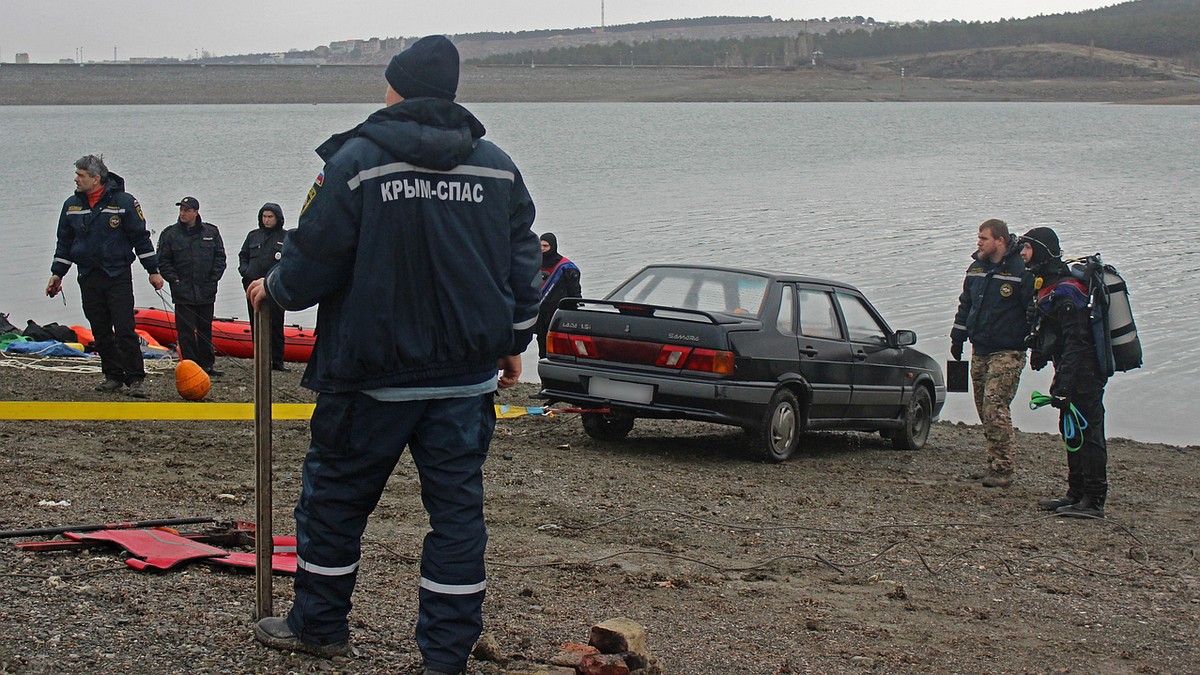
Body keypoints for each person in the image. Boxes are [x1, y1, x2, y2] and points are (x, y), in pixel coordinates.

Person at [246, 35, 540, 673]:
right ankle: (445, 656)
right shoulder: (497, 167)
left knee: (334, 504)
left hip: (370, 377)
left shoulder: (356, 163)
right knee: (457, 517)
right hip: (465, 381)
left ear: (397, 88)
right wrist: (512, 342)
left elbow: (313, 258)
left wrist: (275, 289)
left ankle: (319, 625)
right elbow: (524, 267)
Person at [46, 155, 164, 399]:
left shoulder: (125, 202)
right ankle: (113, 376)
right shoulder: (72, 205)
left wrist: (153, 271)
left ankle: (135, 379)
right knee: (100, 329)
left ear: (96, 179)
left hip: (117, 275)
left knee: (124, 328)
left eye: (80, 175)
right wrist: (57, 274)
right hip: (88, 276)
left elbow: (140, 239)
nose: (76, 179)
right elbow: (65, 243)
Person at [1019, 226, 1109, 519]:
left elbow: (1077, 341)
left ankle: (1094, 500)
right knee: (1069, 428)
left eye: (1028, 247)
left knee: (1089, 432)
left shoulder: (1067, 290)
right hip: (1070, 369)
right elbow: (1055, 333)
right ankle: (1075, 493)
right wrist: (1041, 355)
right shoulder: (1051, 284)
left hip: (1084, 372)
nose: (1022, 253)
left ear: (1042, 250)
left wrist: (1064, 385)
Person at [950, 218, 1034, 488]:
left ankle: (1004, 468)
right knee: (982, 408)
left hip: (1009, 350)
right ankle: (993, 462)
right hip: (981, 347)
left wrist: (1037, 344)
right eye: (978, 238)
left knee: (995, 406)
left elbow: (1032, 312)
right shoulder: (976, 268)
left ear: (1000, 240)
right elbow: (966, 304)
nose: (979, 243)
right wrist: (958, 335)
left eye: (984, 238)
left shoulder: (1020, 270)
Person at [157, 196, 227, 377]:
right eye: (181, 210)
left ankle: (207, 364)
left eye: (187, 210)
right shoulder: (170, 234)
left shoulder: (211, 232)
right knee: (186, 331)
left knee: (205, 328)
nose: (183, 214)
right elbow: (163, 261)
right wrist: (174, 280)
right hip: (183, 291)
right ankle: (190, 365)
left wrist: (213, 279)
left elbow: (220, 258)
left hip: (206, 289)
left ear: (196, 212)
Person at [238, 203, 289, 371]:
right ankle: (260, 358)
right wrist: (245, 271)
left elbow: (291, 261)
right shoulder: (253, 236)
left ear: (278, 218)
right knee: (256, 323)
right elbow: (243, 255)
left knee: (276, 325)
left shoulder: (286, 237)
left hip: (275, 289)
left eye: (270, 217)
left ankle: (277, 361)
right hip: (253, 287)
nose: (266, 220)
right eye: (264, 217)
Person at [534, 232, 582, 358]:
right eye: (540, 246)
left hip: (558, 314)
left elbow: (575, 294)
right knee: (542, 346)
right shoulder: (535, 264)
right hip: (540, 313)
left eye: (546, 246)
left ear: (553, 246)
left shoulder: (567, 268)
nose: (542, 249)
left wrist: (575, 315)